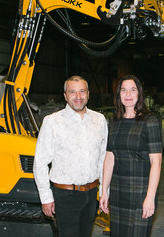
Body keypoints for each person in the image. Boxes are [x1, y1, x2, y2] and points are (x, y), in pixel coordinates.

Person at [33, 75, 108, 237]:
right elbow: (40, 162)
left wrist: (104, 191)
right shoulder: (52, 122)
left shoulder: (99, 120)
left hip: (91, 194)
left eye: (82, 91)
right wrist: (46, 197)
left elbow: (103, 158)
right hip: (65, 196)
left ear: (88, 93)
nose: (78, 97)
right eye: (72, 92)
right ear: (65, 96)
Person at [99, 75, 162, 237]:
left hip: (140, 192)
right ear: (118, 95)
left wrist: (150, 197)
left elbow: (156, 162)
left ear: (139, 94)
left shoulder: (150, 121)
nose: (128, 94)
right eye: (123, 90)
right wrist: (104, 190)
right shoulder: (114, 122)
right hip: (118, 191)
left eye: (132, 90)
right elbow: (109, 157)